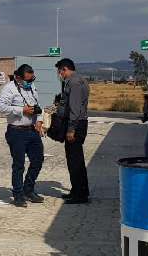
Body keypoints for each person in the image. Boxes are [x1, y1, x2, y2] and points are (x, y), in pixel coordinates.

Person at [0, 64, 45, 207]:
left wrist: (39, 120)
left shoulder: (31, 87)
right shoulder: (9, 89)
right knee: (19, 165)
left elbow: (37, 106)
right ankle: (18, 195)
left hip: (32, 130)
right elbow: (1, 108)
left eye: (32, 79)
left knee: (38, 160)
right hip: (16, 131)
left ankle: (28, 189)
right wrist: (21, 110)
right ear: (18, 78)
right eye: (27, 80)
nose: (30, 82)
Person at [55, 58, 90, 204]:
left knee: (75, 161)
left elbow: (75, 109)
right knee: (75, 160)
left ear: (65, 69)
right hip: (79, 123)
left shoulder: (74, 83)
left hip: (76, 125)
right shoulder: (81, 80)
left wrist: (71, 129)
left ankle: (80, 195)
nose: (59, 74)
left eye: (60, 71)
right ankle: (77, 190)